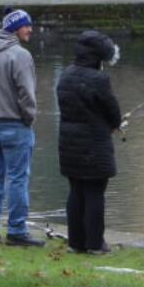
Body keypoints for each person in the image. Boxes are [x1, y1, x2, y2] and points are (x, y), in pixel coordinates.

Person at [0, 9, 42, 247]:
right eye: (26, 25)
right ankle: (16, 230)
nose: (30, 29)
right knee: (17, 179)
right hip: (15, 124)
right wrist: (29, 118)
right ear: (14, 28)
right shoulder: (20, 55)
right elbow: (27, 93)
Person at [55, 30, 124, 254]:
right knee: (95, 191)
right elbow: (113, 112)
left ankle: (76, 243)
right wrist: (114, 124)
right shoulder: (99, 80)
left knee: (76, 190)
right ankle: (95, 244)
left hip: (68, 144)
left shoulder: (65, 75)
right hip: (94, 145)